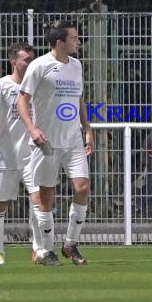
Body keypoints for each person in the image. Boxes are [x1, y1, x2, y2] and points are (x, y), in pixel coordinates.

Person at [17, 20, 93, 266]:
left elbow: (79, 98)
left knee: (82, 187)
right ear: (60, 42)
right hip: (46, 143)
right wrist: (33, 129)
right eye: (74, 38)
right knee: (46, 196)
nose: (78, 41)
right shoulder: (40, 66)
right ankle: (46, 250)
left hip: (73, 140)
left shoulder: (77, 66)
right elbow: (22, 100)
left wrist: (87, 128)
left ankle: (70, 244)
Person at [0, 42, 42, 265]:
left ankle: (38, 248)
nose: (31, 63)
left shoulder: (38, 86)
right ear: (14, 61)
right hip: (5, 156)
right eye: (26, 59)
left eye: (33, 59)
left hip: (32, 157)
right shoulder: (0, 86)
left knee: (39, 200)